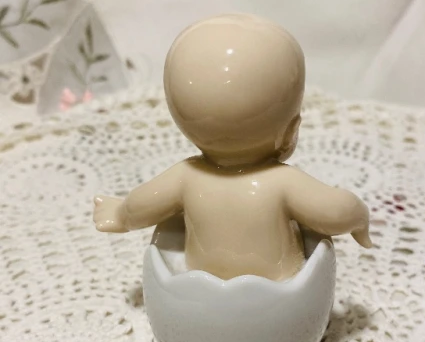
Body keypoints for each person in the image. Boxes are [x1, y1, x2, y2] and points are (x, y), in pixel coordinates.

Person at [93, 14, 371, 281]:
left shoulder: (185, 177)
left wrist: (119, 214)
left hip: (196, 291)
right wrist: (359, 218)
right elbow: (337, 213)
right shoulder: (283, 181)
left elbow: (140, 205)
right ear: (290, 130)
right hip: (278, 293)